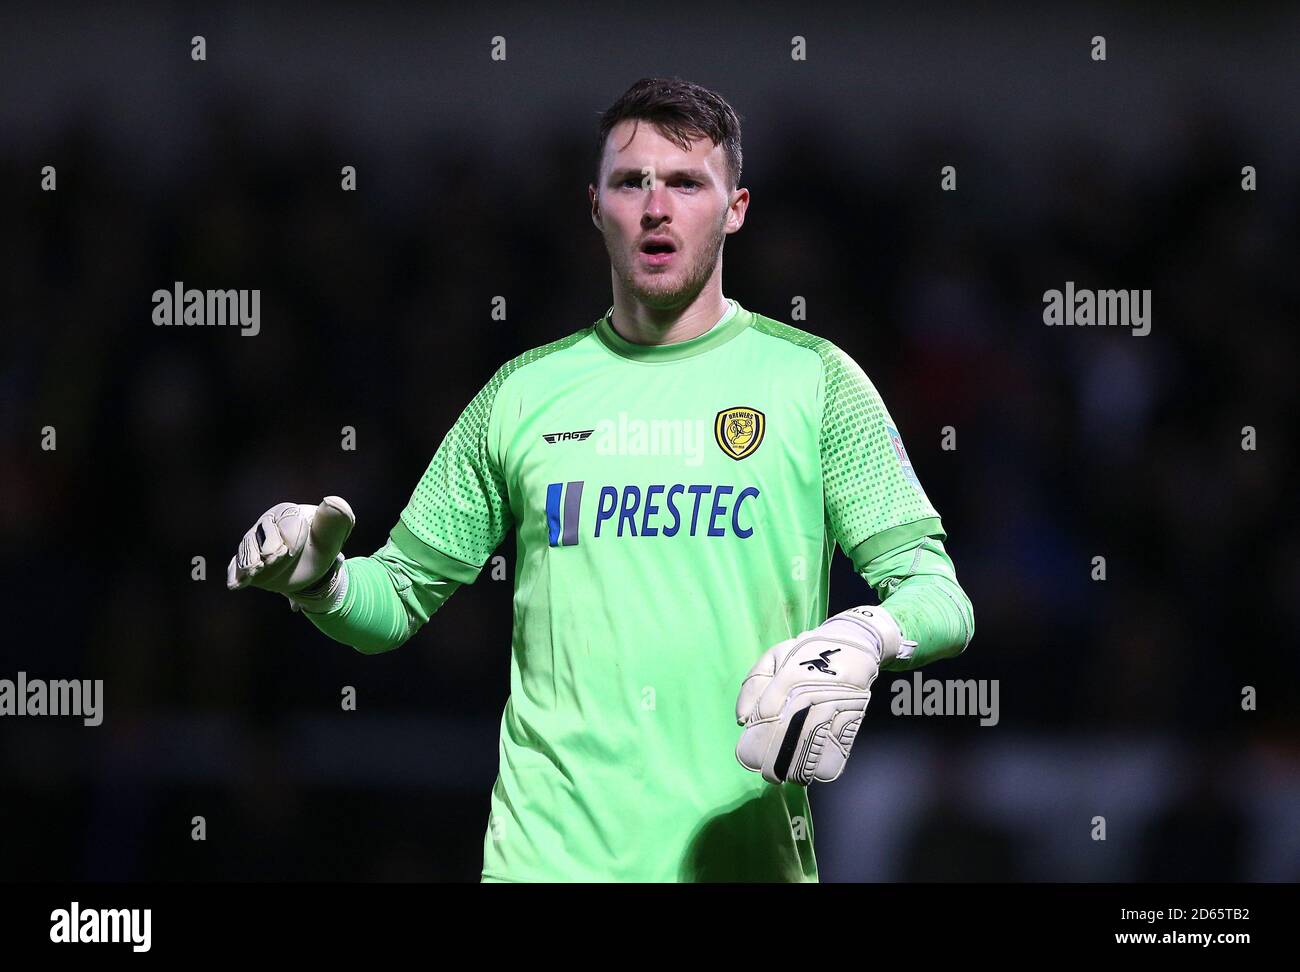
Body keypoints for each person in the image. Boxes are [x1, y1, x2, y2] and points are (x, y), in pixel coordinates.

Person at [227, 76, 974, 882]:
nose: (657, 207)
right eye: (631, 182)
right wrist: (323, 585)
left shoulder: (816, 384)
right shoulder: (521, 397)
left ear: (736, 208)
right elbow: (398, 598)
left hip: (742, 865)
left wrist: (863, 637)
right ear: (595, 207)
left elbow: (940, 598)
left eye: (687, 183)